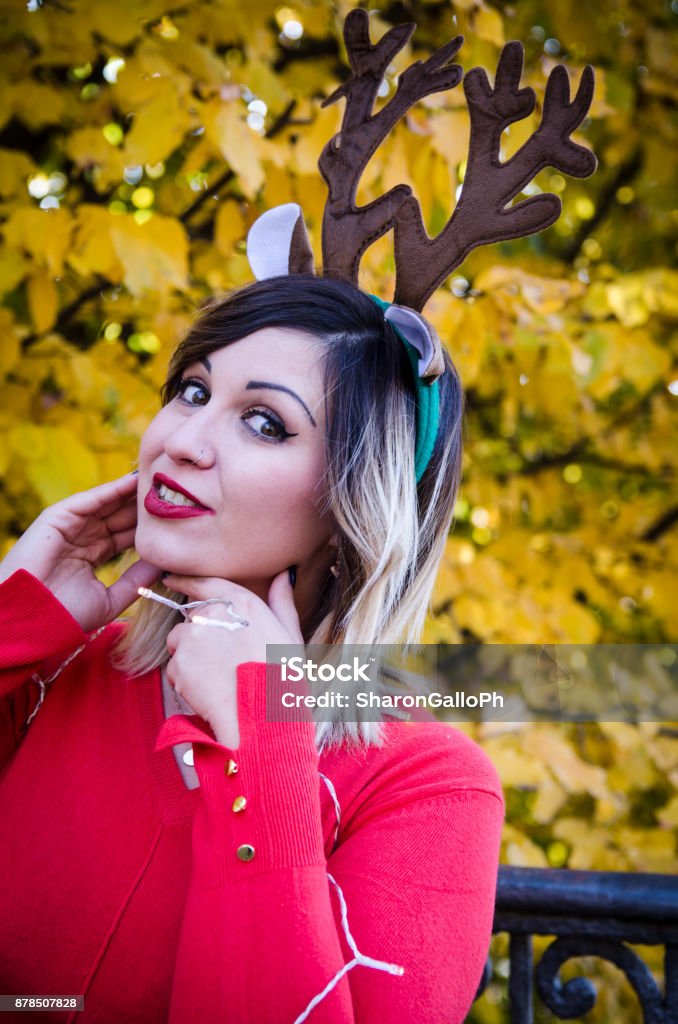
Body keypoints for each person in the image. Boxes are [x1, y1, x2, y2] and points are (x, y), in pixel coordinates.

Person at [0, 272, 505, 1024]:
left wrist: (263, 746)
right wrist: (13, 621)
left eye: (265, 422)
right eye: (194, 391)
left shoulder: (427, 784)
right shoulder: (62, 669)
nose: (181, 441)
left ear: (348, 505)